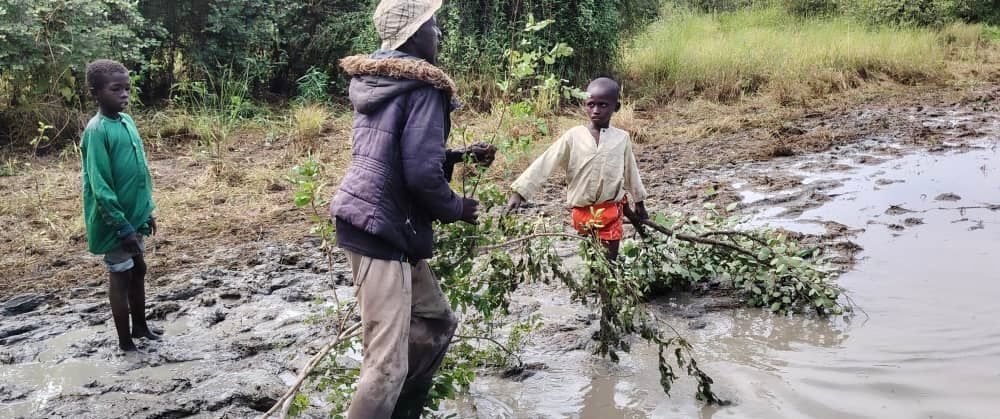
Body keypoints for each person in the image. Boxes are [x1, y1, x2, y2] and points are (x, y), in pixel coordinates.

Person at [329, 0, 496, 417]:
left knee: (436, 322)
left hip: (378, 220)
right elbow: (420, 175)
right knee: (386, 366)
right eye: (433, 25)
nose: (439, 33)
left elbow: (392, 152)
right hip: (381, 228)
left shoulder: (381, 81)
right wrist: (457, 207)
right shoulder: (424, 86)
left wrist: (457, 157)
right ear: (414, 34)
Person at [507, 77, 649, 260]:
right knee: (591, 259)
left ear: (616, 107)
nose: (596, 110)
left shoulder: (622, 138)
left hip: (610, 211)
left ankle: (611, 275)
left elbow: (631, 171)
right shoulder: (573, 136)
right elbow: (546, 161)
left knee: (610, 262)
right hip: (582, 213)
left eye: (603, 105)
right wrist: (519, 193)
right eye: (591, 104)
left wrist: (639, 202)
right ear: (585, 105)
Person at [80, 59, 159, 352]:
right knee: (121, 274)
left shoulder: (126, 121)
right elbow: (100, 185)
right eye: (116, 89)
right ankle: (125, 341)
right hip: (115, 222)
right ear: (96, 93)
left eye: (127, 88)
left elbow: (140, 171)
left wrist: (146, 211)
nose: (124, 94)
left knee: (139, 269)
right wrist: (122, 225)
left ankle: (141, 327)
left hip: (134, 216)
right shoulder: (97, 131)